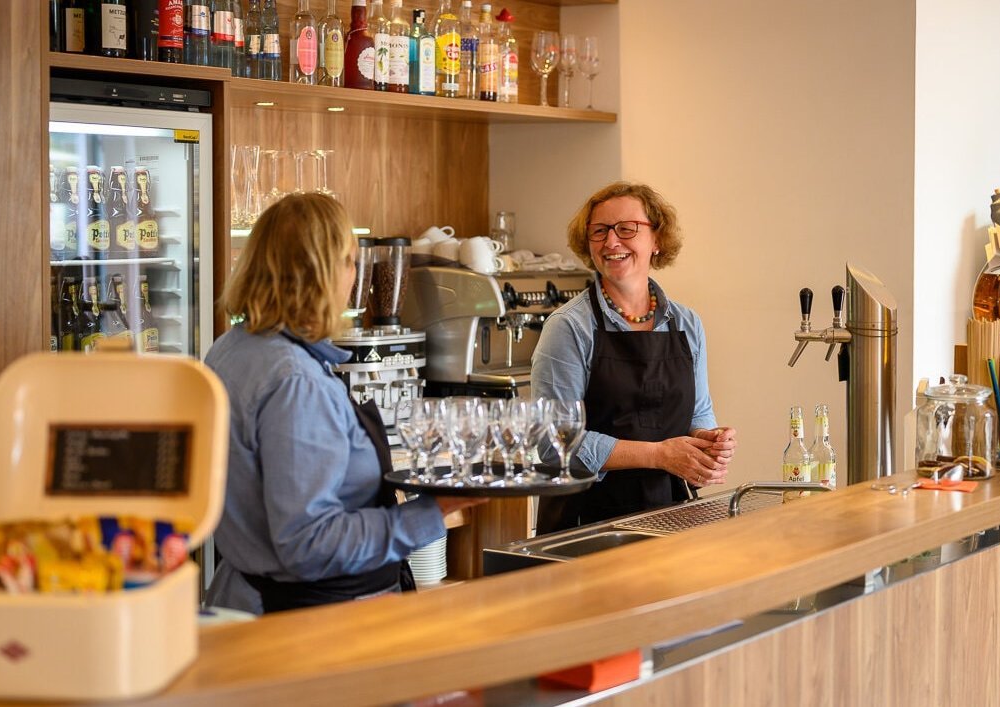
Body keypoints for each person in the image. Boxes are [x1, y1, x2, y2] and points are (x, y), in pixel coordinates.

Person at [204, 193, 482, 614]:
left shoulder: (232, 348)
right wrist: (435, 510)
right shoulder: (296, 381)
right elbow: (308, 544)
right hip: (304, 619)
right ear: (324, 271)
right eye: (352, 261)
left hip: (244, 598)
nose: (355, 276)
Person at [532, 182, 737, 533]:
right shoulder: (568, 327)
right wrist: (659, 455)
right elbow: (554, 444)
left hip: (670, 515)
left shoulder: (687, 323)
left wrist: (711, 442)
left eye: (626, 229)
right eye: (599, 231)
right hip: (587, 522)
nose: (612, 242)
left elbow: (698, 413)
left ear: (657, 239)